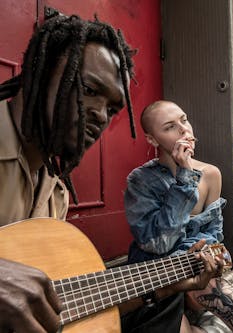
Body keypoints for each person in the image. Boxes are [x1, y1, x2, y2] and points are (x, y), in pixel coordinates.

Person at [0, 15, 221, 333]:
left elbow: (65, 305)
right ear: (38, 71)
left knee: (164, 301)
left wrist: (169, 285)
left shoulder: (54, 193)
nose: (100, 114)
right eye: (89, 89)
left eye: (113, 108)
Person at [124, 100, 233, 332]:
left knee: (214, 284)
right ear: (152, 139)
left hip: (196, 276)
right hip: (155, 281)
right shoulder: (140, 180)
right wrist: (184, 178)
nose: (184, 130)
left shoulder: (210, 174)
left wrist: (213, 257)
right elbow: (157, 243)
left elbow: (214, 237)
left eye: (184, 120)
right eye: (169, 127)